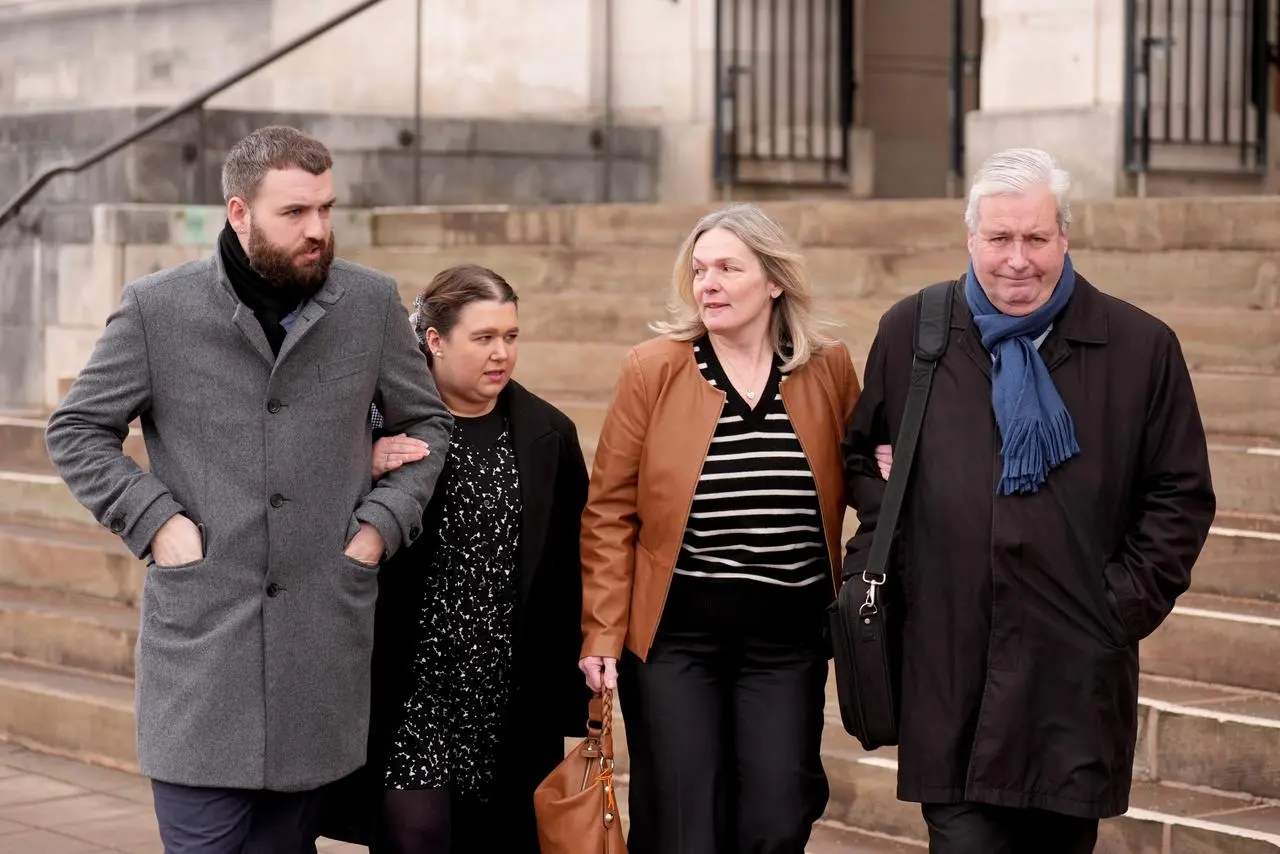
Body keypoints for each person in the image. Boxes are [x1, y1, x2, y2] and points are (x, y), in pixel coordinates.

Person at [44, 126, 454, 854]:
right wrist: (157, 522)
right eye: (295, 213)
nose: (318, 230)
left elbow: (428, 422)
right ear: (238, 212)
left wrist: (379, 528)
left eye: (327, 209)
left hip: (318, 649)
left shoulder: (367, 303)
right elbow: (75, 429)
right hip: (202, 654)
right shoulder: (156, 309)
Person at [843, 148, 1216, 854]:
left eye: (1036, 238)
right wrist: (907, 512)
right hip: (950, 672)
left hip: (1071, 678)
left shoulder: (1140, 348)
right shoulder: (915, 333)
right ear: (970, 239)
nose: (1018, 259)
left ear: (1064, 237)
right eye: (999, 239)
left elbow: (1180, 496)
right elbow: (862, 456)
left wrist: (1119, 606)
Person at [578, 203, 862, 854]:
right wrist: (601, 630)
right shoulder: (654, 368)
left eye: (729, 268)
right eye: (700, 269)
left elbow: (862, 478)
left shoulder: (828, 369)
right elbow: (608, 510)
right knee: (681, 828)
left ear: (774, 281)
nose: (708, 283)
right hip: (676, 639)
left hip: (787, 640)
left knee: (777, 816)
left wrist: (884, 460)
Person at [322, 264, 591, 854]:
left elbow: (571, 567)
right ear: (434, 341)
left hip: (506, 695)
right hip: (410, 687)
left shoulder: (550, 434)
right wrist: (358, 464)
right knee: (414, 833)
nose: (501, 353)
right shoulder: (375, 428)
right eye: (484, 338)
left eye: (511, 337)